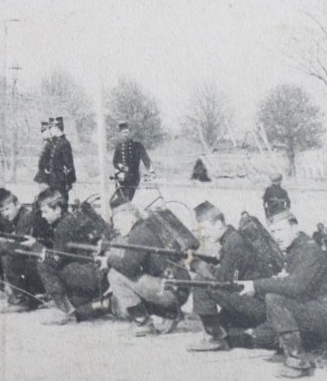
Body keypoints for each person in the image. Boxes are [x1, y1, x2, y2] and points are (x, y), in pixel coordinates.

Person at [236, 211, 327, 378]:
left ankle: (298, 361)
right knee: (262, 336)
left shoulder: (310, 250)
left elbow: (296, 286)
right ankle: (320, 346)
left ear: (295, 227)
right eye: (273, 232)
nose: (276, 236)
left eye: (280, 230)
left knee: (274, 299)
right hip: (314, 312)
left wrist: (257, 285)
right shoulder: (295, 249)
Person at [185, 201, 275, 352]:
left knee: (200, 283)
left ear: (219, 224)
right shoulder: (233, 238)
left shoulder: (234, 243)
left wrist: (194, 264)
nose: (202, 234)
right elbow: (226, 269)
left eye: (204, 229)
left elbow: (223, 281)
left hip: (258, 306)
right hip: (256, 300)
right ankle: (227, 331)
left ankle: (215, 338)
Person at [102, 203, 191, 335]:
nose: (116, 226)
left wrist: (109, 259)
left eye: (118, 221)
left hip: (170, 290)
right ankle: (170, 313)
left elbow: (129, 269)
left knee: (115, 275)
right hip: (179, 286)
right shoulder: (148, 226)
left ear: (130, 218)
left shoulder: (138, 233)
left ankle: (143, 323)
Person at [34, 116, 77, 207]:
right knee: (53, 202)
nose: (50, 131)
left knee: (61, 202)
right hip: (53, 179)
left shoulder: (64, 143)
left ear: (57, 129)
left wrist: (67, 180)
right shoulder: (55, 142)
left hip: (61, 179)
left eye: (52, 128)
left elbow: (68, 165)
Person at [110, 122, 151, 206]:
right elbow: (115, 161)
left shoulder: (137, 145)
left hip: (133, 177)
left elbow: (145, 159)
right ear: (120, 134)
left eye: (127, 132)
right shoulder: (119, 147)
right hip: (122, 178)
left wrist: (151, 171)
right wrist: (121, 168)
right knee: (122, 200)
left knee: (128, 199)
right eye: (124, 133)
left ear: (130, 133)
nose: (126, 135)